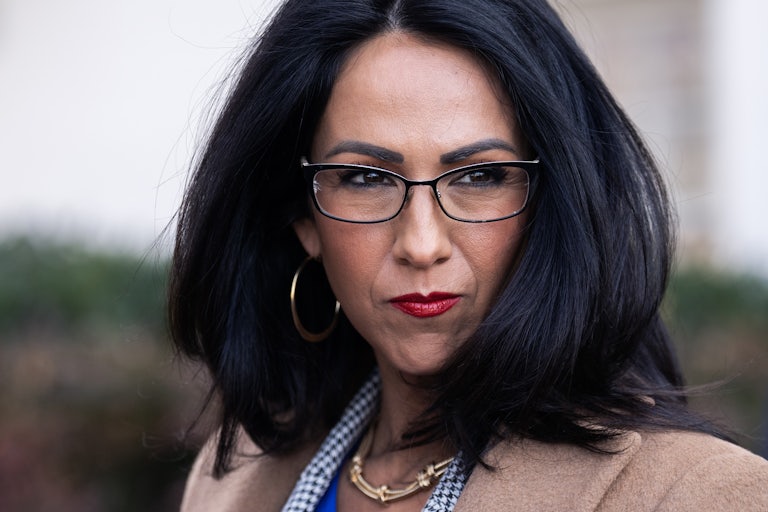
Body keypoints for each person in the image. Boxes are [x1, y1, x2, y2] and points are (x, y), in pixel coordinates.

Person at [168, 0, 768, 510]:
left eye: (480, 177)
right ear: (304, 219)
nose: (422, 245)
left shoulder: (703, 494)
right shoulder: (229, 480)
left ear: (551, 204)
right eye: (364, 179)